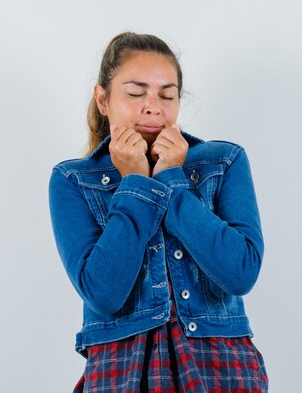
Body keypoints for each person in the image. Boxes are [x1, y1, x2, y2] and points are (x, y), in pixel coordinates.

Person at [48, 31, 269, 393]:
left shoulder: (224, 161)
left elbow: (241, 272)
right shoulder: (73, 179)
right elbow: (104, 293)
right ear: (103, 99)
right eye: (136, 93)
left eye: (167, 95)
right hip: (121, 370)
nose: (154, 106)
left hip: (221, 366)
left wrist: (171, 179)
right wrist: (135, 182)